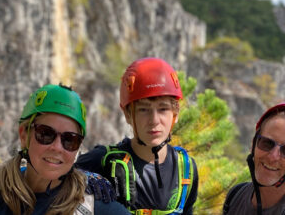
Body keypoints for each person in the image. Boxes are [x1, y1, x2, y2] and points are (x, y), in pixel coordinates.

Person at [0, 83, 130, 215]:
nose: (57, 147)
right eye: (46, 134)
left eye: (69, 140)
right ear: (24, 135)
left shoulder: (94, 206)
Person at [75, 57, 199, 214]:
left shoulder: (186, 169)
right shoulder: (103, 161)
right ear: (127, 114)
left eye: (163, 109)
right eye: (143, 110)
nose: (154, 121)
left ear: (175, 113)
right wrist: (81, 177)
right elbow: (52, 184)